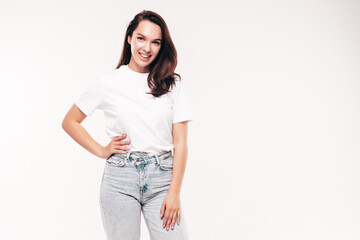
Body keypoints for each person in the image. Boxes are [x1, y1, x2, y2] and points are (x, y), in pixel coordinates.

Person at [62, 10, 194, 240]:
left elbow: (181, 144)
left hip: (162, 179)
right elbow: (70, 121)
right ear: (129, 38)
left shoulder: (172, 85)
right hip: (120, 179)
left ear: (161, 47)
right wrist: (102, 150)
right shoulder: (108, 83)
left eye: (155, 42)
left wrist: (174, 193)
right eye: (141, 38)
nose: (147, 48)